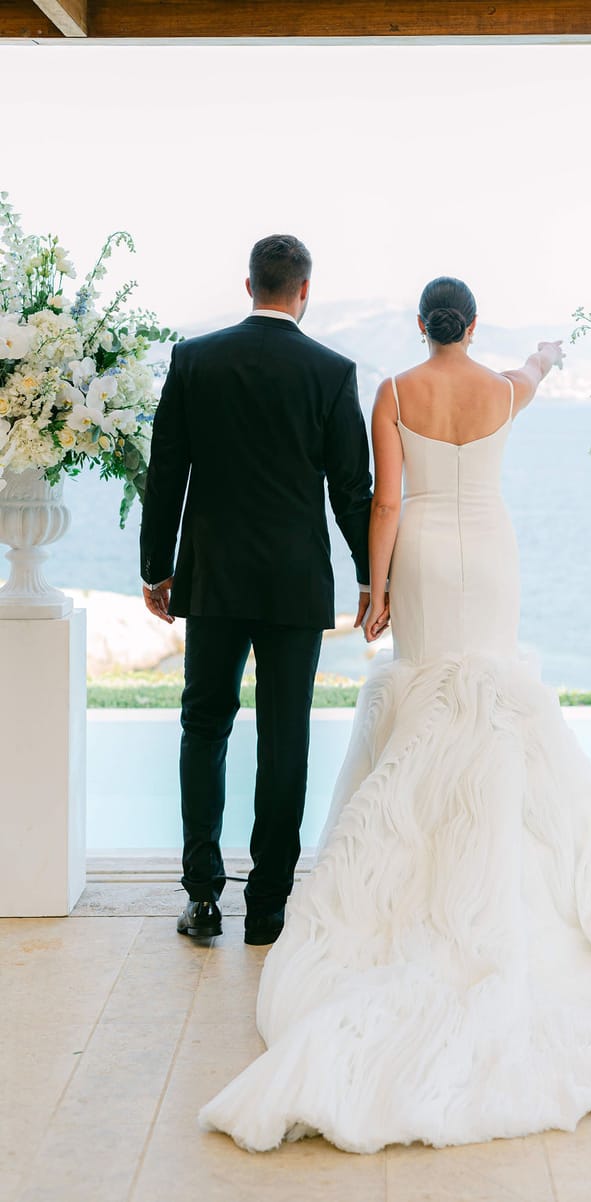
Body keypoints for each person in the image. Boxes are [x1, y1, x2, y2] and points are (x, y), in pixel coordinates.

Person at [199, 277, 591, 1152]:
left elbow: (385, 502)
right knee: (488, 697)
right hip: (490, 550)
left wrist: (375, 586)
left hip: (421, 549)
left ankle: (420, 875)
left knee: (425, 688)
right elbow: (531, 372)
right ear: (472, 325)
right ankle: (501, 872)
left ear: (421, 324)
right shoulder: (502, 390)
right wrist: (544, 356)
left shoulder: (393, 391)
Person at [139, 235, 374, 947]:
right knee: (285, 735)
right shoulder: (331, 371)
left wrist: (156, 568)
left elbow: (166, 472)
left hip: (212, 576)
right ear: (304, 291)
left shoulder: (194, 359)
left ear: (249, 285)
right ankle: (269, 906)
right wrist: (371, 575)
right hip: (295, 583)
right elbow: (351, 488)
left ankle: (203, 897)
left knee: (204, 726)